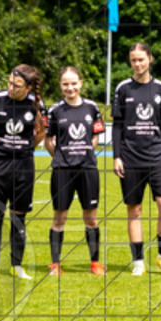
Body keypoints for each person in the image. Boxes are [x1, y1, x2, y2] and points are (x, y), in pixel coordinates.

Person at [112, 43, 161, 276]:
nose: (137, 64)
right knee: (135, 210)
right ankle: (138, 261)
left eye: (141, 59)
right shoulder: (122, 89)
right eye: (133, 60)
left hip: (157, 157)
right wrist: (116, 156)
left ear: (150, 58)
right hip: (130, 158)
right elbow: (117, 126)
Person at [0, 64, 45, 280]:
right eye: (9, 82)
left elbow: (40, 133)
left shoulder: (36, 104)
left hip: (23, 166)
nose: (10, 87)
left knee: (19, 217)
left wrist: (24, 150)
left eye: (16, 85)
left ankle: (16, 265)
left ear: (28, 87)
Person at [45, 67, 106, 275]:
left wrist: (85, 152)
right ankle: (55, 263)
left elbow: (96, 136)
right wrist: (61, 157)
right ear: (60, 85)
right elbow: (47, 140)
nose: (69, 88)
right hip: (62, 170)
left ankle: (95, 263)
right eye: (65, 84)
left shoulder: (92, 107)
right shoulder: (54, 110)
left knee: (91, 218)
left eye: (73, 83)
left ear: (81, 83)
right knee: (59, 218)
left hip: (88, 168)